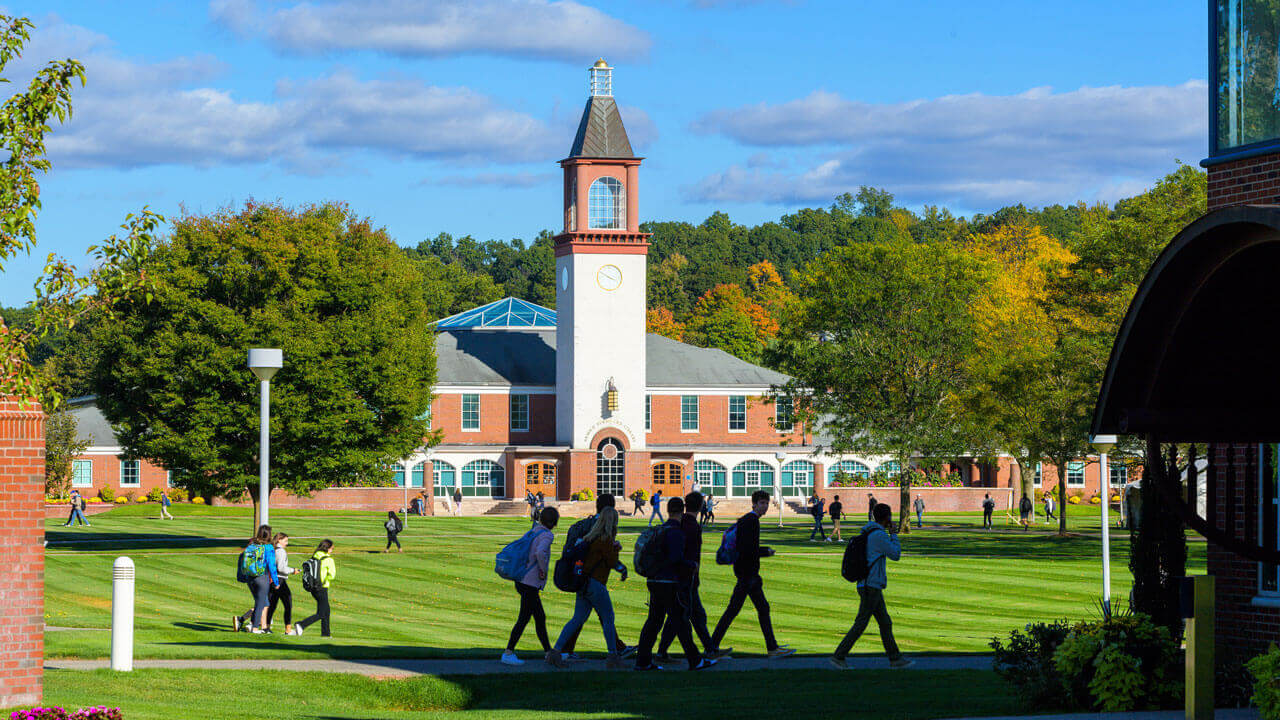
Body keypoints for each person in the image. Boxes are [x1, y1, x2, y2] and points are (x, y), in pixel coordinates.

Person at [707, 490, 793, 659]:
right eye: (762, 503)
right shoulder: (752, 521)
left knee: (758, 608)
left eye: (766, 503)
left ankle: (771, 647)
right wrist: (765, 551)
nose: (765, 506)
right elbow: (748, 549)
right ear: (754, 504)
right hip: (748, 574)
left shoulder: (747, 520)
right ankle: (712, 648)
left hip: (747, 573)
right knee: (736, 610)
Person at [634, 496, 715, 671]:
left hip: (654, 579)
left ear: (668, 510)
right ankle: (695, 660)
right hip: (669, 582)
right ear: (682, 510)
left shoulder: (661, 529)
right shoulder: (676, 532)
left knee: (654, 622)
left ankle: (643, 660)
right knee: (681, 621)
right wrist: (691, 564)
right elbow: (675, 558)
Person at [830, 503, 913, 669]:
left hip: (867, 584)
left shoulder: (868, 532)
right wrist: (894, 535)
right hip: (871, 585)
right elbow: (895, 554)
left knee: (885, 622)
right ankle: (839, 656)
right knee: (862, 622)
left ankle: (895, 658)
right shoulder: (878, 535)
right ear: (887, 517)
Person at [547, 506, 628, 669]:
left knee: (578, 618)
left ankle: (555, 653)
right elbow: (612, 562)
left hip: (583, 582)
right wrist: (617, 553)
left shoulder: (589, 538)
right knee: (608, 618)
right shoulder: (604, 540)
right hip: (596, 584)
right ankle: (613, 655)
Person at [656, 492, 717, 662]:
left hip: (677, 576)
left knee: (683, 616)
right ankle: (707, 650)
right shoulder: (692, 526)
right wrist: (692, 569)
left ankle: (708, 647)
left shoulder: (680, 523)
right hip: (686, 577)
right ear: (700, 507)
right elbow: (690, 554)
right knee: (688, 616)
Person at [501, 506, 559, 666]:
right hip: (530, 582)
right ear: (554, 522)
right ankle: (508, 652)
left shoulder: (535, 531)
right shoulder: (547, 535)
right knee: (526, 618)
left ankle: (548, 652)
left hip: (521, 579)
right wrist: (542, 570)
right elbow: (540, 552)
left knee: (537, 617)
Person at [234, 524, 279, 634]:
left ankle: (264, 628)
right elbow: (272, 566)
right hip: (262, 577)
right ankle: (255, 628)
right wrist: (276, 582)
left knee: (265, 602)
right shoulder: (268, 547)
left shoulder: (251, 545)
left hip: (250, 577)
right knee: (260, 603)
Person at [292, 539, 336, 637]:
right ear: (327, 548)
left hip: (313, 587)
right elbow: (332, 575)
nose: (332, 550)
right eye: (331, 548)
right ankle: (301, 625)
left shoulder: (315, 556)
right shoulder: (329, 559)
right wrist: (326, 578)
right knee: (321, 613)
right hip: (322, 587)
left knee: (326, 610)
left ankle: (326, 634)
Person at [266, 532, 299, 634]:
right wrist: (293, 570)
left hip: (272, 579)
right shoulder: (281, 551)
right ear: (279, 540)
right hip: (280, 580)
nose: (287, 543)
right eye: (285, 541)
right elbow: (281, 568)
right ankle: (288, 629)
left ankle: (266, 627)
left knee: (272, 604)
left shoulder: (273, 549)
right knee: (288, 604)